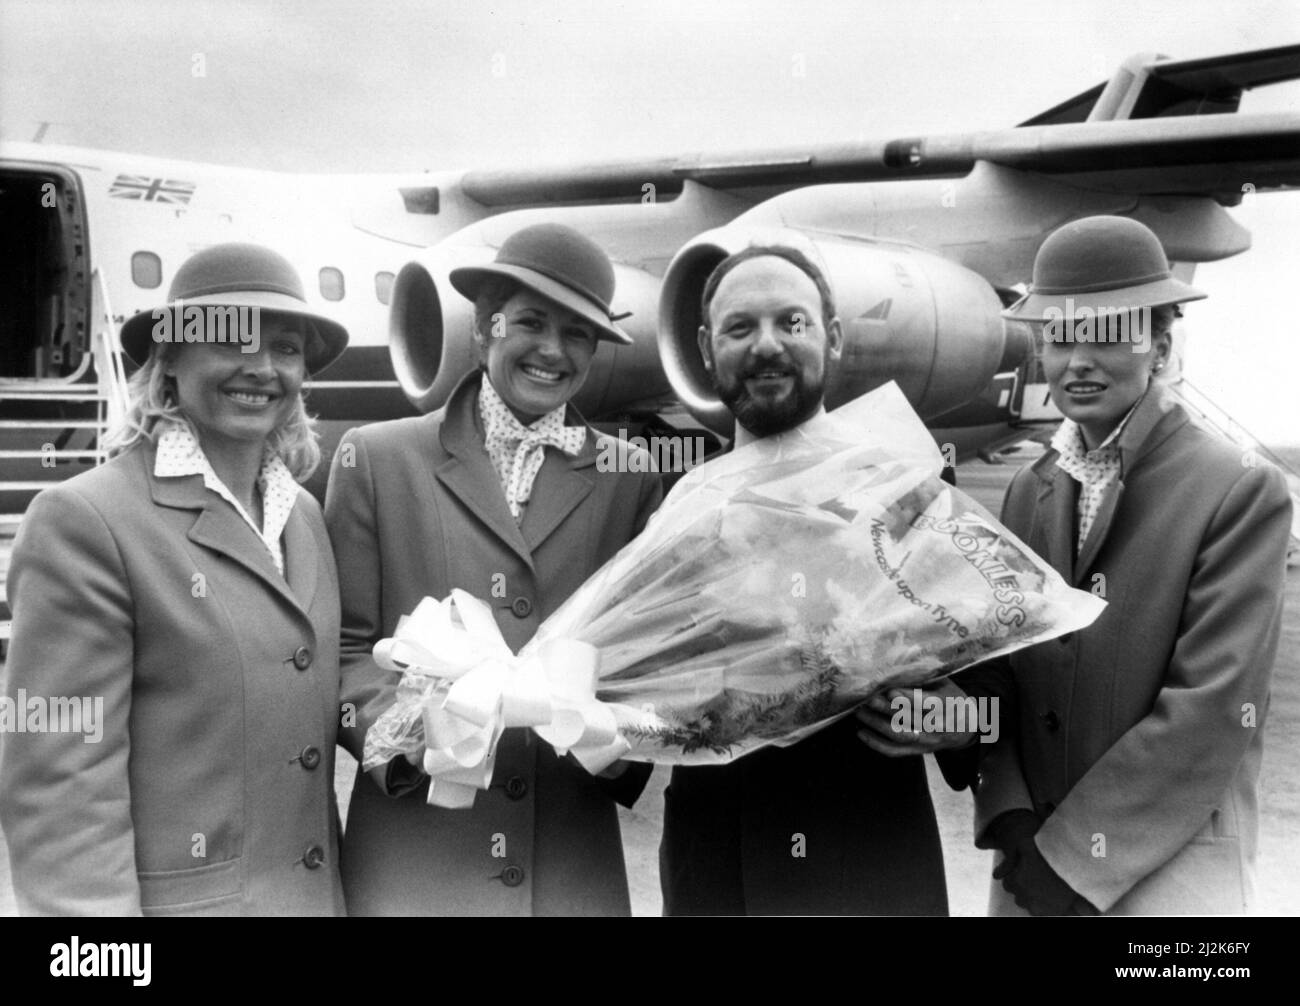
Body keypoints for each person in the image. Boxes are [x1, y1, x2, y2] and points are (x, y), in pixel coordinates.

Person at [0, 243, 350, 915]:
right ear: (171, 362)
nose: (262, 368)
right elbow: (60, 792)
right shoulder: (87, 521)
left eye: (286, 348)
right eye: (232, 342)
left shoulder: (302, 517)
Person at [327, 222, 662, 916]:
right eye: (531, 324)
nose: (552, 350)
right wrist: (410, 733)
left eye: (577, 334)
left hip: (571, 860)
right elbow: (345, 649)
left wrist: (614, 734)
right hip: (418, 854)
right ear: (484, 329)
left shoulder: (630, 476)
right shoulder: (377, 461)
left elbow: (643, 653)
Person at [964, 215, 1291, 915]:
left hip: (1165, 881)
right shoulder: (1031, 487)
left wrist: (1074, 862)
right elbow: (1006, 668)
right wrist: (1009, 815)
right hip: (1030, 867)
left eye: (1107, 332)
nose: (1078, 359)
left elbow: (1209, 712)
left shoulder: (1239, 489)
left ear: (1162, 346)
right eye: (1058, 335)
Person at [658, 243, 952, 916]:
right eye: (740, 328)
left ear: (834, 337)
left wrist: (956, 720)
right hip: (716, 874)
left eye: (791, 323)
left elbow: (998, 690)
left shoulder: (910, 485)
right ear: (707, 347)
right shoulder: (677, 509)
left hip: (872, 872)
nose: (767, 347)